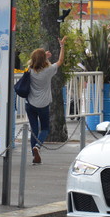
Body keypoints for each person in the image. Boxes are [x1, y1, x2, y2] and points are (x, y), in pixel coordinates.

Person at [25, 36, 66, 165]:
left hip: (30, 103)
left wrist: (43, 57)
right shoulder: (49, 70)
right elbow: (60, 60)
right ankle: (38, 146)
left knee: (34, 129)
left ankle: (34, 155)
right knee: (45, 129)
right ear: (44, 59)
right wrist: (62, 46)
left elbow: (36, 62)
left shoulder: (30, 70)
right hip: (43, 104)